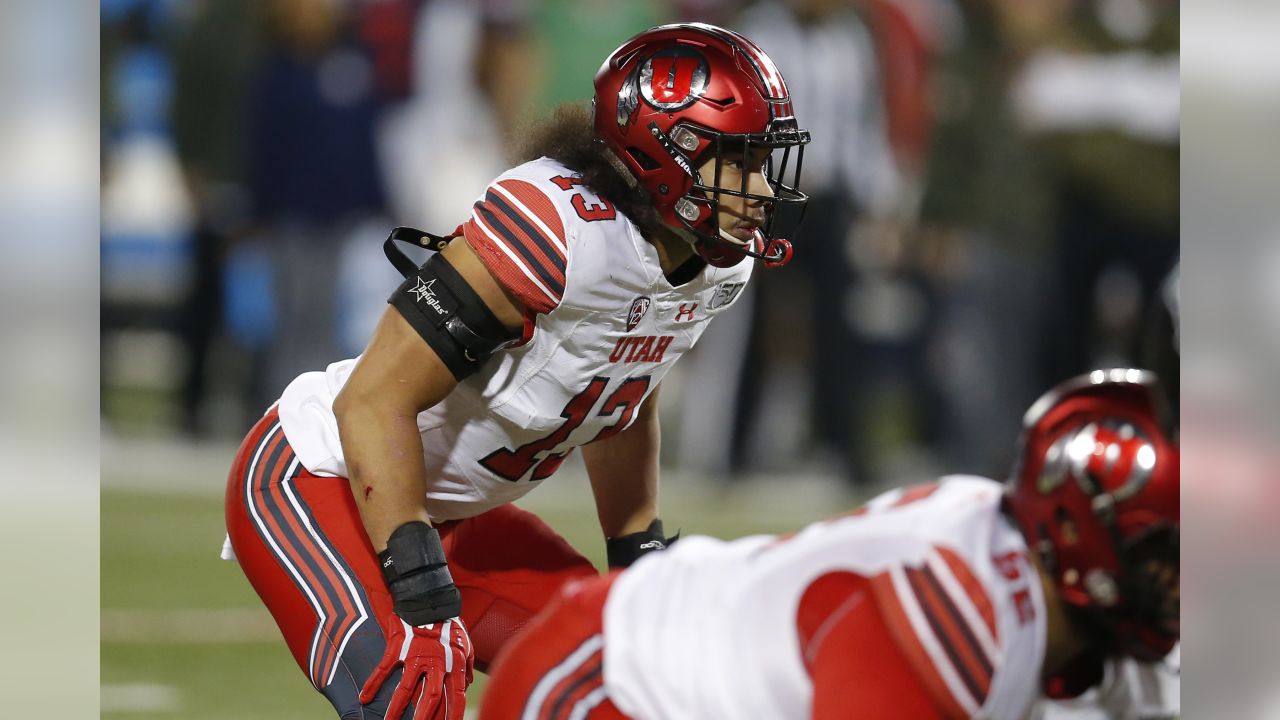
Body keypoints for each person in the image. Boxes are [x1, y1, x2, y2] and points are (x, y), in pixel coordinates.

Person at [222, 22, 810, 720]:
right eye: (739, 161)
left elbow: (624, 391)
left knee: (624, 683)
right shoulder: (556, 230)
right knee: (416, 686)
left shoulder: (715, 262)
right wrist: (420, 588)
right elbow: (373, 402)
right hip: (325, 480)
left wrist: (638, 553)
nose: (760, 188)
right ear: (668, 155)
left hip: (453, 516)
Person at [478, 368, 1180, 720]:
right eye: (1168, 557)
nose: (1185, 584)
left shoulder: (1039, 591)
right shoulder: (959, 606)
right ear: (1078, 532)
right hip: (614, 689)